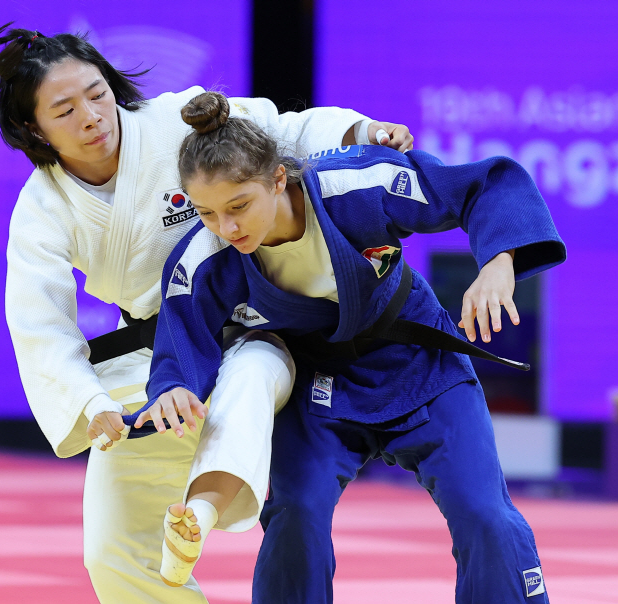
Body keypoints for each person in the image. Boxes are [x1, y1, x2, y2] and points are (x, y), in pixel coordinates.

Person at [0, 23, 413, 604]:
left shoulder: (174, 122)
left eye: (98, 93)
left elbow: (283, 130)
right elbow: (39, 322)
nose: (91, 115)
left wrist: (361, 130)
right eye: (65, 109)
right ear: (34, 128)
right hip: (151, 358)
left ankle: (204, 510)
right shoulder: (42, 208)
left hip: (251, 328)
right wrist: (90, 401)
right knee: (113, 553)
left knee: (251, 377)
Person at [132, 91, 566, 602]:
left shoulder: (355, 185)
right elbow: (183, 326)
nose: (227, 228)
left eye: (239, 206)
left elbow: (483, 185)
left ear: (278, 178)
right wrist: (173, 386)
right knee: (296, 512)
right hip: (321, 385)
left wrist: (498, 264)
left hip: (421, 365)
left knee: (484, 514)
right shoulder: (209, 254)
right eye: (206, 213)